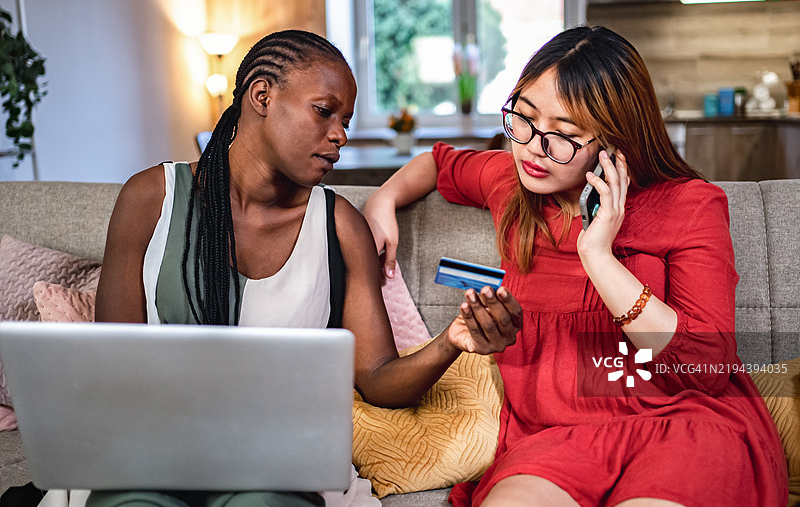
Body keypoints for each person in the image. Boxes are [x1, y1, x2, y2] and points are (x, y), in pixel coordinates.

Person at [91, 30, 523, 507]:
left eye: (346, 120)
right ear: (262, 95)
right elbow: (111, 367)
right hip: (154, 455)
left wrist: (453, 339)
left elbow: (379, 380)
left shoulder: (339, 226)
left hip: (279, 465)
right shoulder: (151, 198)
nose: (340, 135)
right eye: (324, 111)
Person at [363, 26, 788, 507]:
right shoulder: (512, 183)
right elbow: (439, 163)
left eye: (563, 136)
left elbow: (704, 368)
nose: (531, 148)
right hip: (554, 438)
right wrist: (383, 200)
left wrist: (598, 255)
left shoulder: (690, 205)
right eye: (522, 119)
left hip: (682, 422)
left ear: (613, 144)